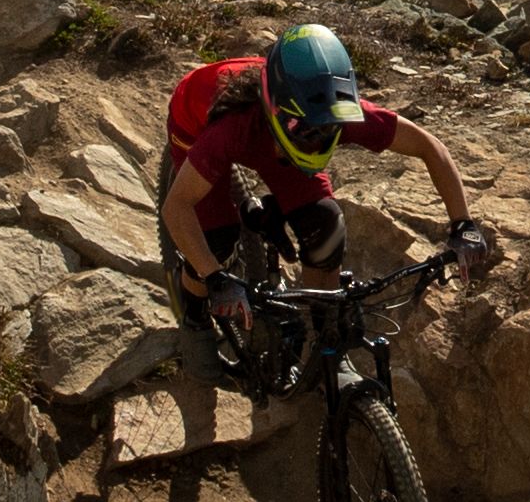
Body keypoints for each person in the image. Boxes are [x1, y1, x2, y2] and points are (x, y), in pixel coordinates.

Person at [160, 24, 486, 342]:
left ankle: (327, 342)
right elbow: (177, 207)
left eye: (328, 130)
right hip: (195, 121)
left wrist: (463, 223)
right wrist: (215, 278)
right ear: (278, 109)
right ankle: (193, 315)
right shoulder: (233, 126)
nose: (318, 141)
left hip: (273, 136)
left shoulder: (332, 111)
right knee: (217, 242)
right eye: (306, 130)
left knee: (325, 226)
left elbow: (428, 146)